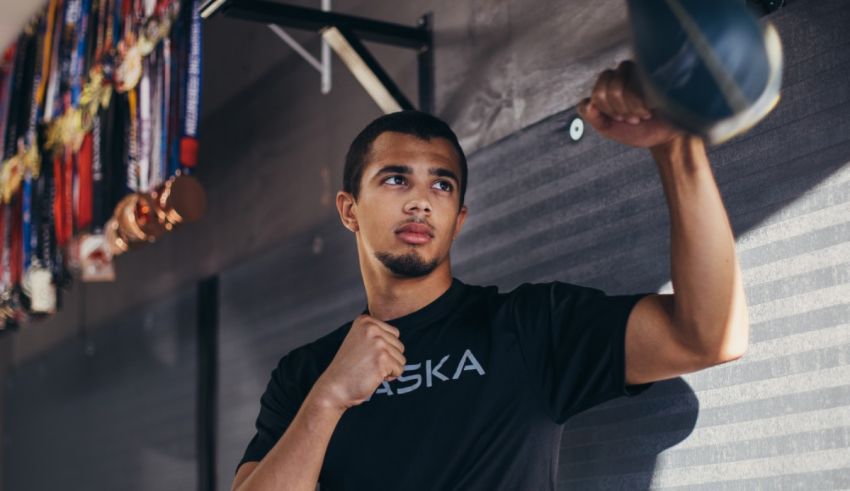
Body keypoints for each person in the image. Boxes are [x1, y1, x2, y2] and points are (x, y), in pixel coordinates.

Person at [230, 60, 750, 491]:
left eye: (441, 185)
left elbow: (709, 336)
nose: (419, 201)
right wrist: (329, 399)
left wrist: (676, 149)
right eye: (395, 179)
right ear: (349, 210)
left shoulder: (527, 328)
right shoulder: (307, 374)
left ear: (459, 220)